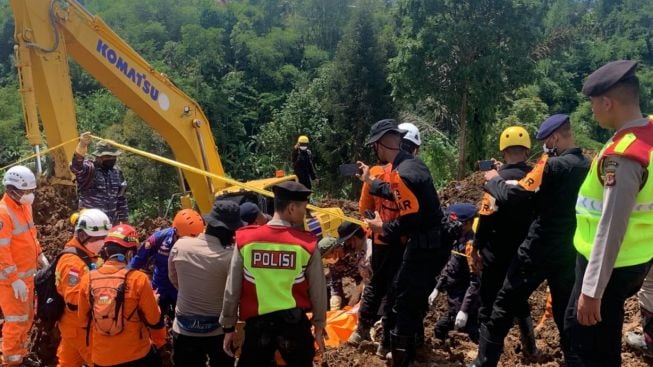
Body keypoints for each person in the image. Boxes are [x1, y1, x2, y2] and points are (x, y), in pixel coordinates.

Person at [469, 114, 590, 367]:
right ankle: (574, 360)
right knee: (564, 313)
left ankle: (483, 362)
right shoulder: (586, 164)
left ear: (555, 137)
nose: (544, 148)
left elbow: (515, 195)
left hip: (537, 247)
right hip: (569, 247)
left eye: (546, 141)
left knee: (503, 304)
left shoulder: (552, 166)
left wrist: (494, 181)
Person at [565, 60, 653, 367]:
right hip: (636, 259)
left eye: (592, 104)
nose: (591, 111)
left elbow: (611, 225)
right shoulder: (648, 133)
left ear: (607, 102)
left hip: (608, 267)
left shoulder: (624, 156)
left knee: (591, 349)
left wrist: (591, 291)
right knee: (590, 336)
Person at [358, 119, 448, 367]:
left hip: (425, 243)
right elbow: (394, 191)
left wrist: (381, 227)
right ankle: (408, 348)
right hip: (429, 241)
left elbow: (409, 220)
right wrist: (371, 182)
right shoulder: (410, 165)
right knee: (404, 293)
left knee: (403, 298)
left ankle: (402, 357)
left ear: (378, 146)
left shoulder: (404, 173)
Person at [220, 181, 327, 366]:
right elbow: (318, 292)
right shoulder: (307, 245)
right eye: (303, 208)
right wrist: (319, 325)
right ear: (292, 208)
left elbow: (232, 289)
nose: (305, 213)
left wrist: (229, 326)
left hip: (258, 330)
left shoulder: (245, 240)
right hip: (294, 329)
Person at [472, 126, 539, 357]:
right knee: (519, 300)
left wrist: (476, 247)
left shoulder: (494, 181)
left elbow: (485, 216)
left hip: (496, 251)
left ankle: (486, 355)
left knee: (488, 303)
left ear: (502, 153)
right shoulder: (535, 177)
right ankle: (530, 347)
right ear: (527, 150)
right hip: (526, 250)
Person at [168, 201, 243, 367]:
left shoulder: (180, 246)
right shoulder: (231, 257)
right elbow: (233, 294)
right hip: (218, 331)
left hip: (184, 328)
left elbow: (174, 279)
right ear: (230, 231)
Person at [78, 224, 164, 367]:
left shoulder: (88, 279)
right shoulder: (138, 279)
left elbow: (83, 320)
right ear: (129, 253)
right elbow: (154, 320)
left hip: (101, 358)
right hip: (136, 355)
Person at [0, 165, 48, 366]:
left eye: (31, 191)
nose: (30, 195)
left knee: (26, 319)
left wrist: (40, 255)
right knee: (16, 321)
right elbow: (2, 250)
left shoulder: (24, 206)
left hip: (27, 277)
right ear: (12, 189)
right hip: (11, 282)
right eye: (26, 191)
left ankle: (20, 354)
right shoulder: (3, 213)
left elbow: (30, 235)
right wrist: (14, 280)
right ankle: (11, 361)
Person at [129, 209, 204, 326]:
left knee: (185, 322)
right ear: (175, 231)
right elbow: (139, 257)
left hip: (182, 290)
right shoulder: (161, 237)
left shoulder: (202, 244)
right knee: (155, 320)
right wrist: (124, 275)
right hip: (160, 286)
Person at [55, 209, 111, 367]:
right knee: (98, 360)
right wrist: (106, 299)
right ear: (82, 235)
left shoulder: (89, 254)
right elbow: (73, 300)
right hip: (79, 326)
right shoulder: (72, 264)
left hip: (75, 326)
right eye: (97, 238)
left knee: (68, 362)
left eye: (104, 237)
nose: (101, 242)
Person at [429, 203, 480, 343]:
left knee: (471, 335)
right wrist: (437, 288)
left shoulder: (470, 246)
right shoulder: (457, 240)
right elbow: (449, 267)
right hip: (453, 301)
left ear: (468, 223)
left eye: (457, 223)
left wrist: (464, 310)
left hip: (463, 302)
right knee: (440, 330)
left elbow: (475, 282)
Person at [70, 132, 128, 224]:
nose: (112, 159)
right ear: (99, 156)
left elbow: (121, 199)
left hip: (111, 225)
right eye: (108, 156)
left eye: (114, 156)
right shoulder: (89, 169)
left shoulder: (116, 172)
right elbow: (76, 167)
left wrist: (125, 223)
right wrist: (82, 145)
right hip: (90, 226)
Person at [321, 222, 372, 311]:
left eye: (330, 254)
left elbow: (369, 274)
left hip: (366, 278)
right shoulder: (334, 265)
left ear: (337, 248)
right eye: (327, 257)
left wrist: (358, 290)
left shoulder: (355, 249)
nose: (331, 258)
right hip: (362, 277)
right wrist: (334, 310)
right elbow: (335, 285)